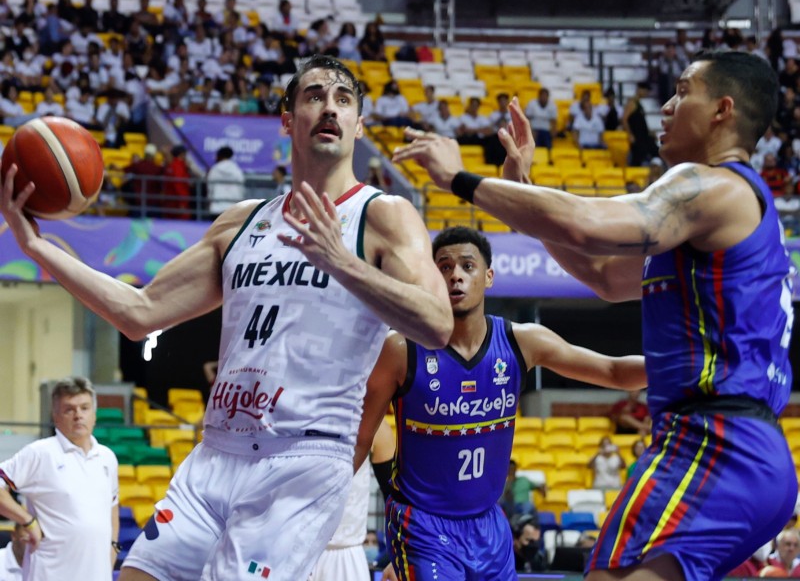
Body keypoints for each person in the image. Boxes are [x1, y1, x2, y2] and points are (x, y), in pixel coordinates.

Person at [0, 53, 451, 581]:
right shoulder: (241, 222)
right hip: (216, 453)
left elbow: (436, 324)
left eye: (343, 99)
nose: (330, 106)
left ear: (357, 124)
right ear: (287, 120)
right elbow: (138, 311)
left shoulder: (383, 214)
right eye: (314, 96)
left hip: (300, 461)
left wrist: (342, 263)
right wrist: (35, 247)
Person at [393, 50, 797, 581]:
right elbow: (605, 274)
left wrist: (461, 180)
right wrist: (526, 187)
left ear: (723, 110)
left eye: (683, 92)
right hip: (746, 449)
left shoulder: (716, 186)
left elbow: (585, 223)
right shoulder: (712, 225)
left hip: (714, 441)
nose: (668, 106)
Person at [357, 226, 645, 580]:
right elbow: (359, 439)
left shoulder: (520, 342)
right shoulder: (401, 349)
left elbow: (613, 371)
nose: (456, 276)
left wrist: (685, 365)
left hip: (489, 525)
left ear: (489, 277)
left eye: (467, 266)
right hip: (423, 525)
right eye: (444, 268)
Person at [0, 377, 120, 581]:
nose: (78, 415)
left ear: (94, 414)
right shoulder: (41, 453)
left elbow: (112, 508)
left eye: (84, 408)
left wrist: (112, 552)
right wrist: (28, 521)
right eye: (69, 409)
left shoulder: (107, 457)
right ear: (55, 416)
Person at [308, 419, 395, 581]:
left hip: (345, 552)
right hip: (292, 545)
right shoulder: (290, 415)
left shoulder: (374, 423)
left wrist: (395, 557)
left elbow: (393, 497)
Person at [206, 146, 245, 217]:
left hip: (216, 207)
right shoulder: (236, 170)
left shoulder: (214, 170)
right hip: (233, 208)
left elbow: (210, 187)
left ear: (219, 156)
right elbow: (241, 187)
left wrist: (210, 200)